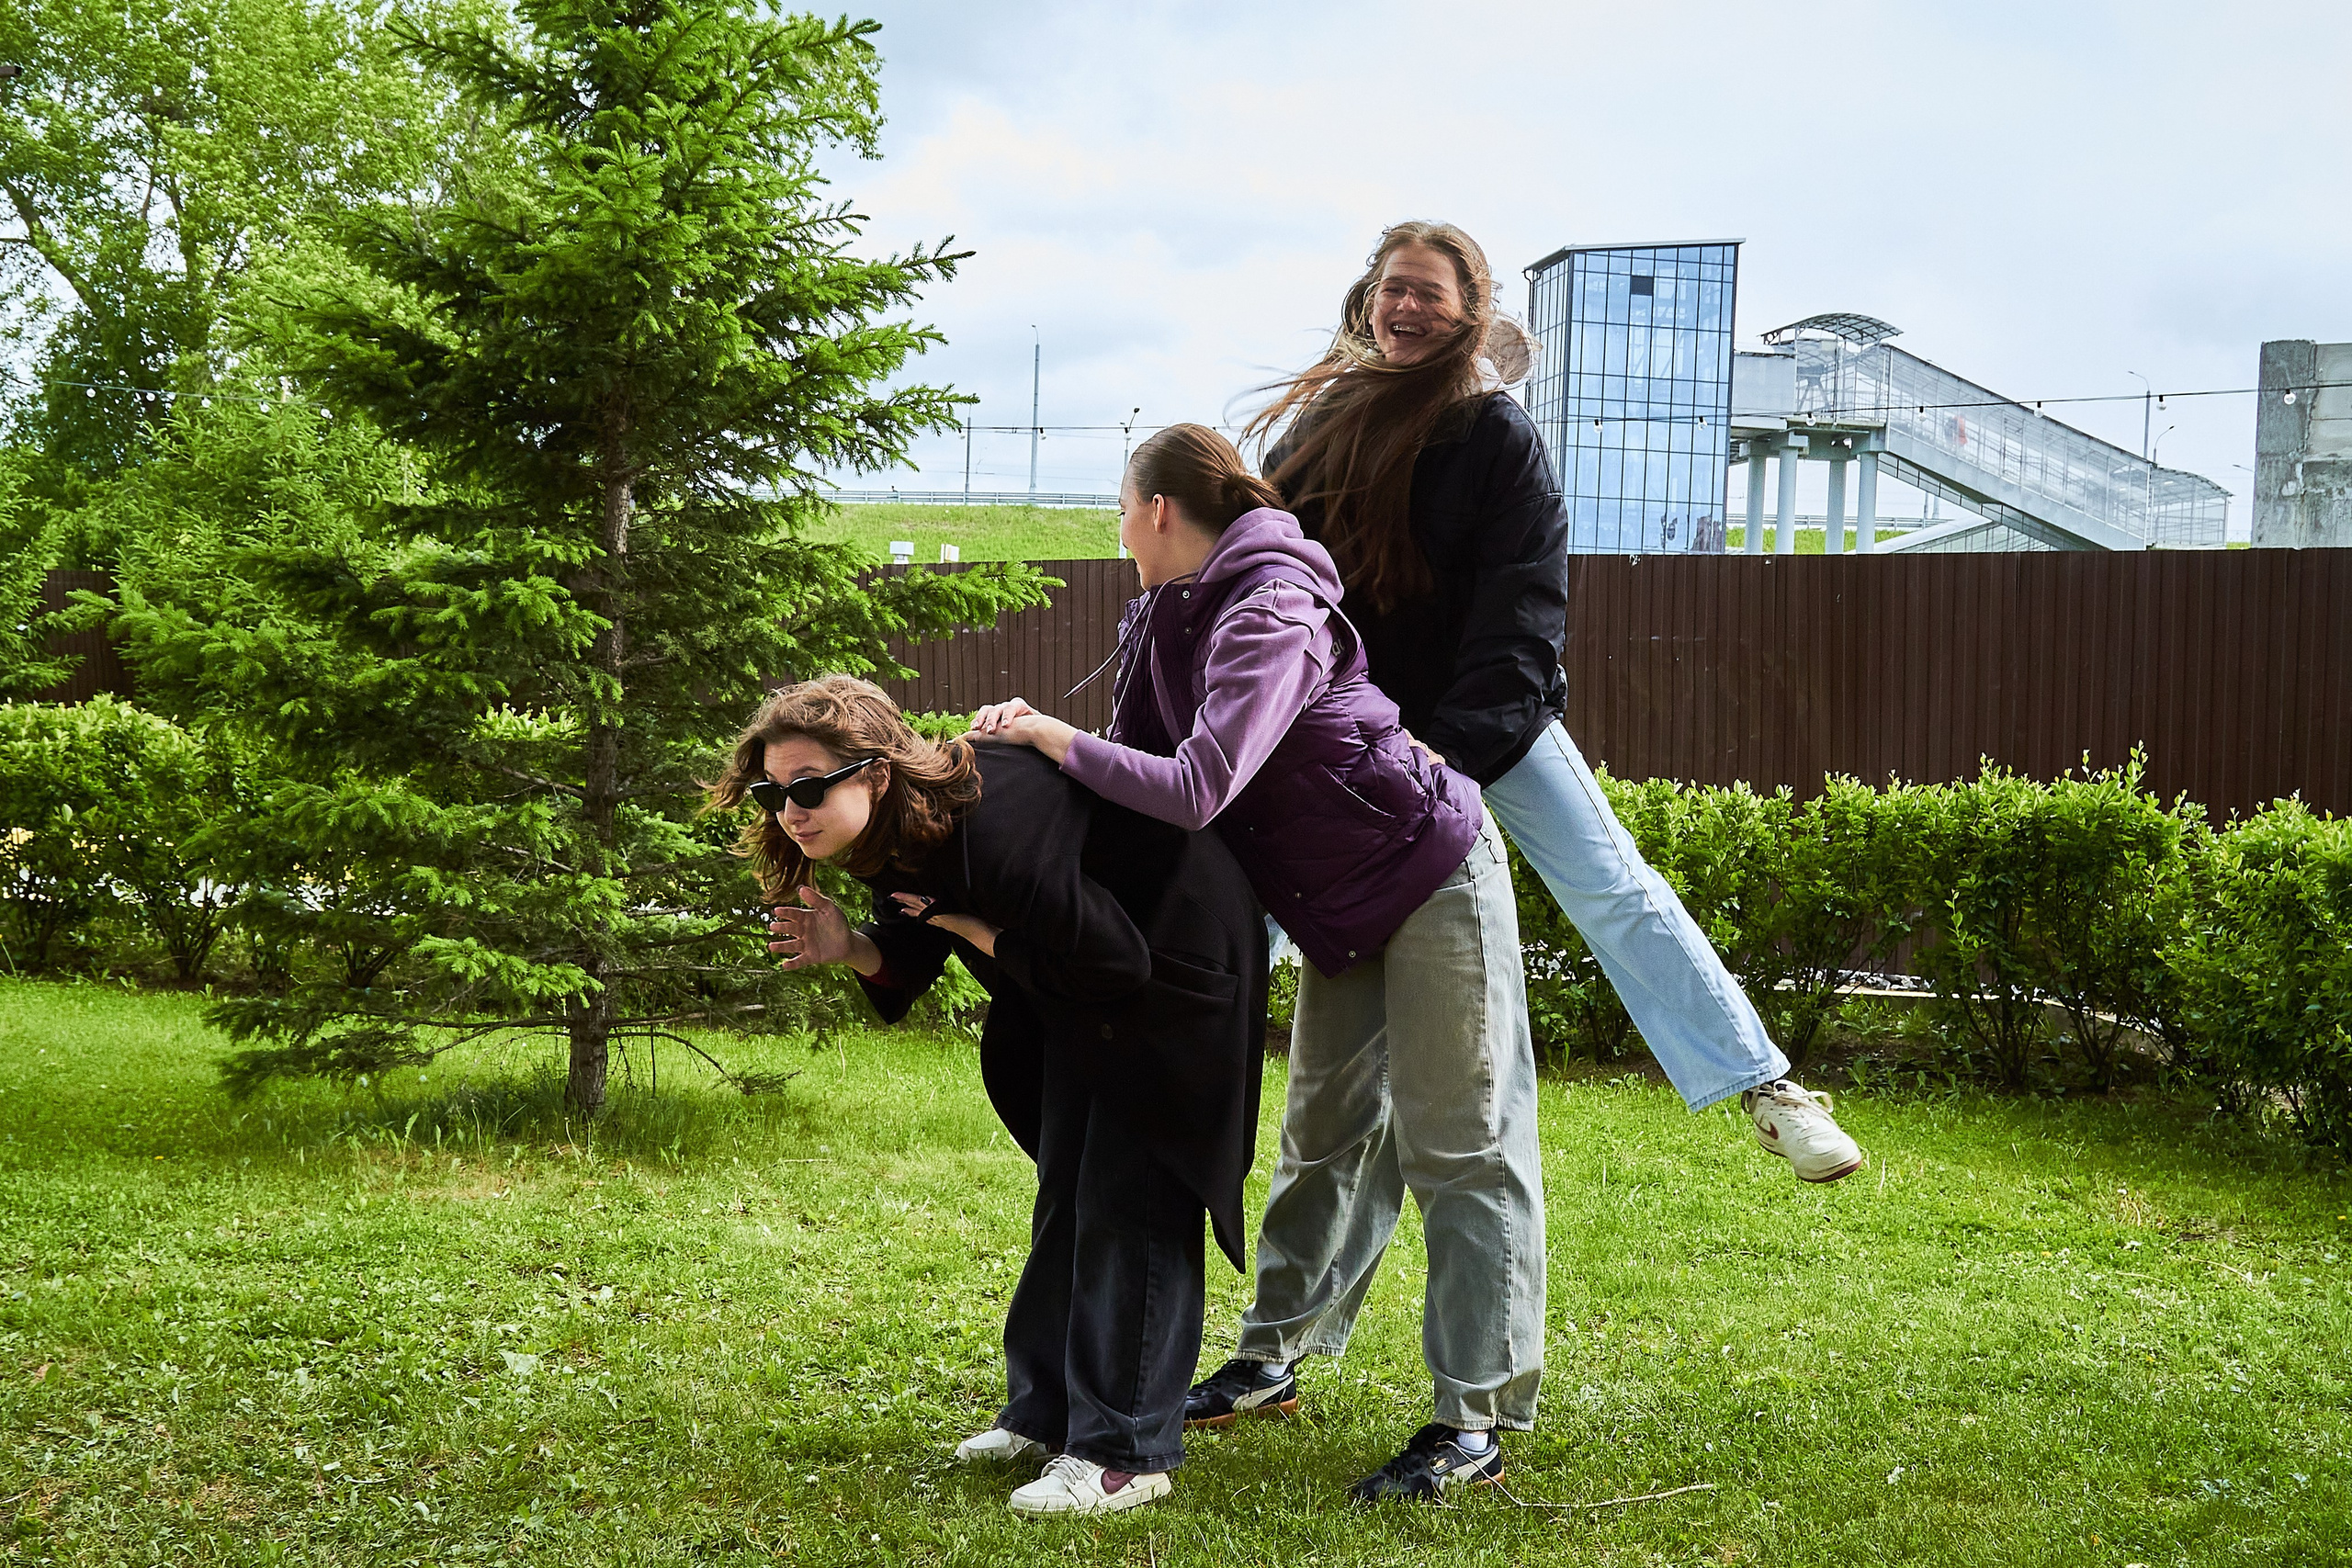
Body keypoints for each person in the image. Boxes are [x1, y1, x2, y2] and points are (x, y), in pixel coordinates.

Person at [967, 423, 1540, 1503]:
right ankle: (1271, 1361)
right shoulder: (1172, 613)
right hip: (1335, 900)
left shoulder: (1272, 605)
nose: (1118, 534)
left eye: (1120, 512)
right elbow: (1128, 777)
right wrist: (1016, 759)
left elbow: (1197, 787)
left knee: (1458, 1143)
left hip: (1426, 866)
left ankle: (1474, 1421)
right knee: (1322, 1129)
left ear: (1156, 510)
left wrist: (1051, 737)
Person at [1250, 220, 1863, 1185]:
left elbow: (1523, 615)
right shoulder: (1321, 427)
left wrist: (1449, 752)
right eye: (1394, 288)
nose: (1406, 307)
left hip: (1489, 724)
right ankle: (1150, 1033)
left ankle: (1766, 1088)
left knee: (1610, 883)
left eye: (1430, 294)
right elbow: (1276, 564)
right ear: (1368, 300)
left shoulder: (1498, 435)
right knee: (1263, 891)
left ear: (1469, 313)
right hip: (1357, 726)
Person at [710, 675, 1265, 1519]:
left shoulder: (991, 821)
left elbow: (1113, 957)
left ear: (877, 772)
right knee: (1069, 1190)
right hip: (1082, 990)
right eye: (773, 791)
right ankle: (1045, 1413)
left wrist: (977, 931)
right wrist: (851, 944)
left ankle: (1124, 1454)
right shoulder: (899, 829)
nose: (791, 810)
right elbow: (913, 937)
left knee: (1134, 1194)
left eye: (810, 787)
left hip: (1171, 971)